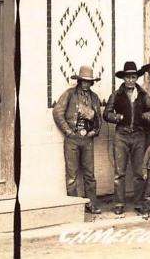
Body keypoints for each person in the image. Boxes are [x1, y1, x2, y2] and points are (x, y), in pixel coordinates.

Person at [104, 61, 150, 217]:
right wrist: (117, 117)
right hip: (121, 134)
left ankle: (139, 203)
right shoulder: (116, 94)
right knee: (119, 173)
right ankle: (119, 203)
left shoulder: (142, 94)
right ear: (124, 78)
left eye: (133, 77)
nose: (130, 80)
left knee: (139, 172)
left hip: (138, 135)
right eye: (127, 77)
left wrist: (147, 115)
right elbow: (106, 113)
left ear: (136, 78)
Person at [51, 65, 103, 214]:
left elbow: (99, 119)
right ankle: (73, 207)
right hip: (72, 139)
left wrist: (94, 131)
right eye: (83, 81)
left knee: (89, 174)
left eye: (89, 81)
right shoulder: (69, 94)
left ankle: (91, 204)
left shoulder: (94, 97)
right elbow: (57, 112)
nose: (86, 84)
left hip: (87, 139)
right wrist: (68, 131)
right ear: (79, 81)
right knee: (72, 175)